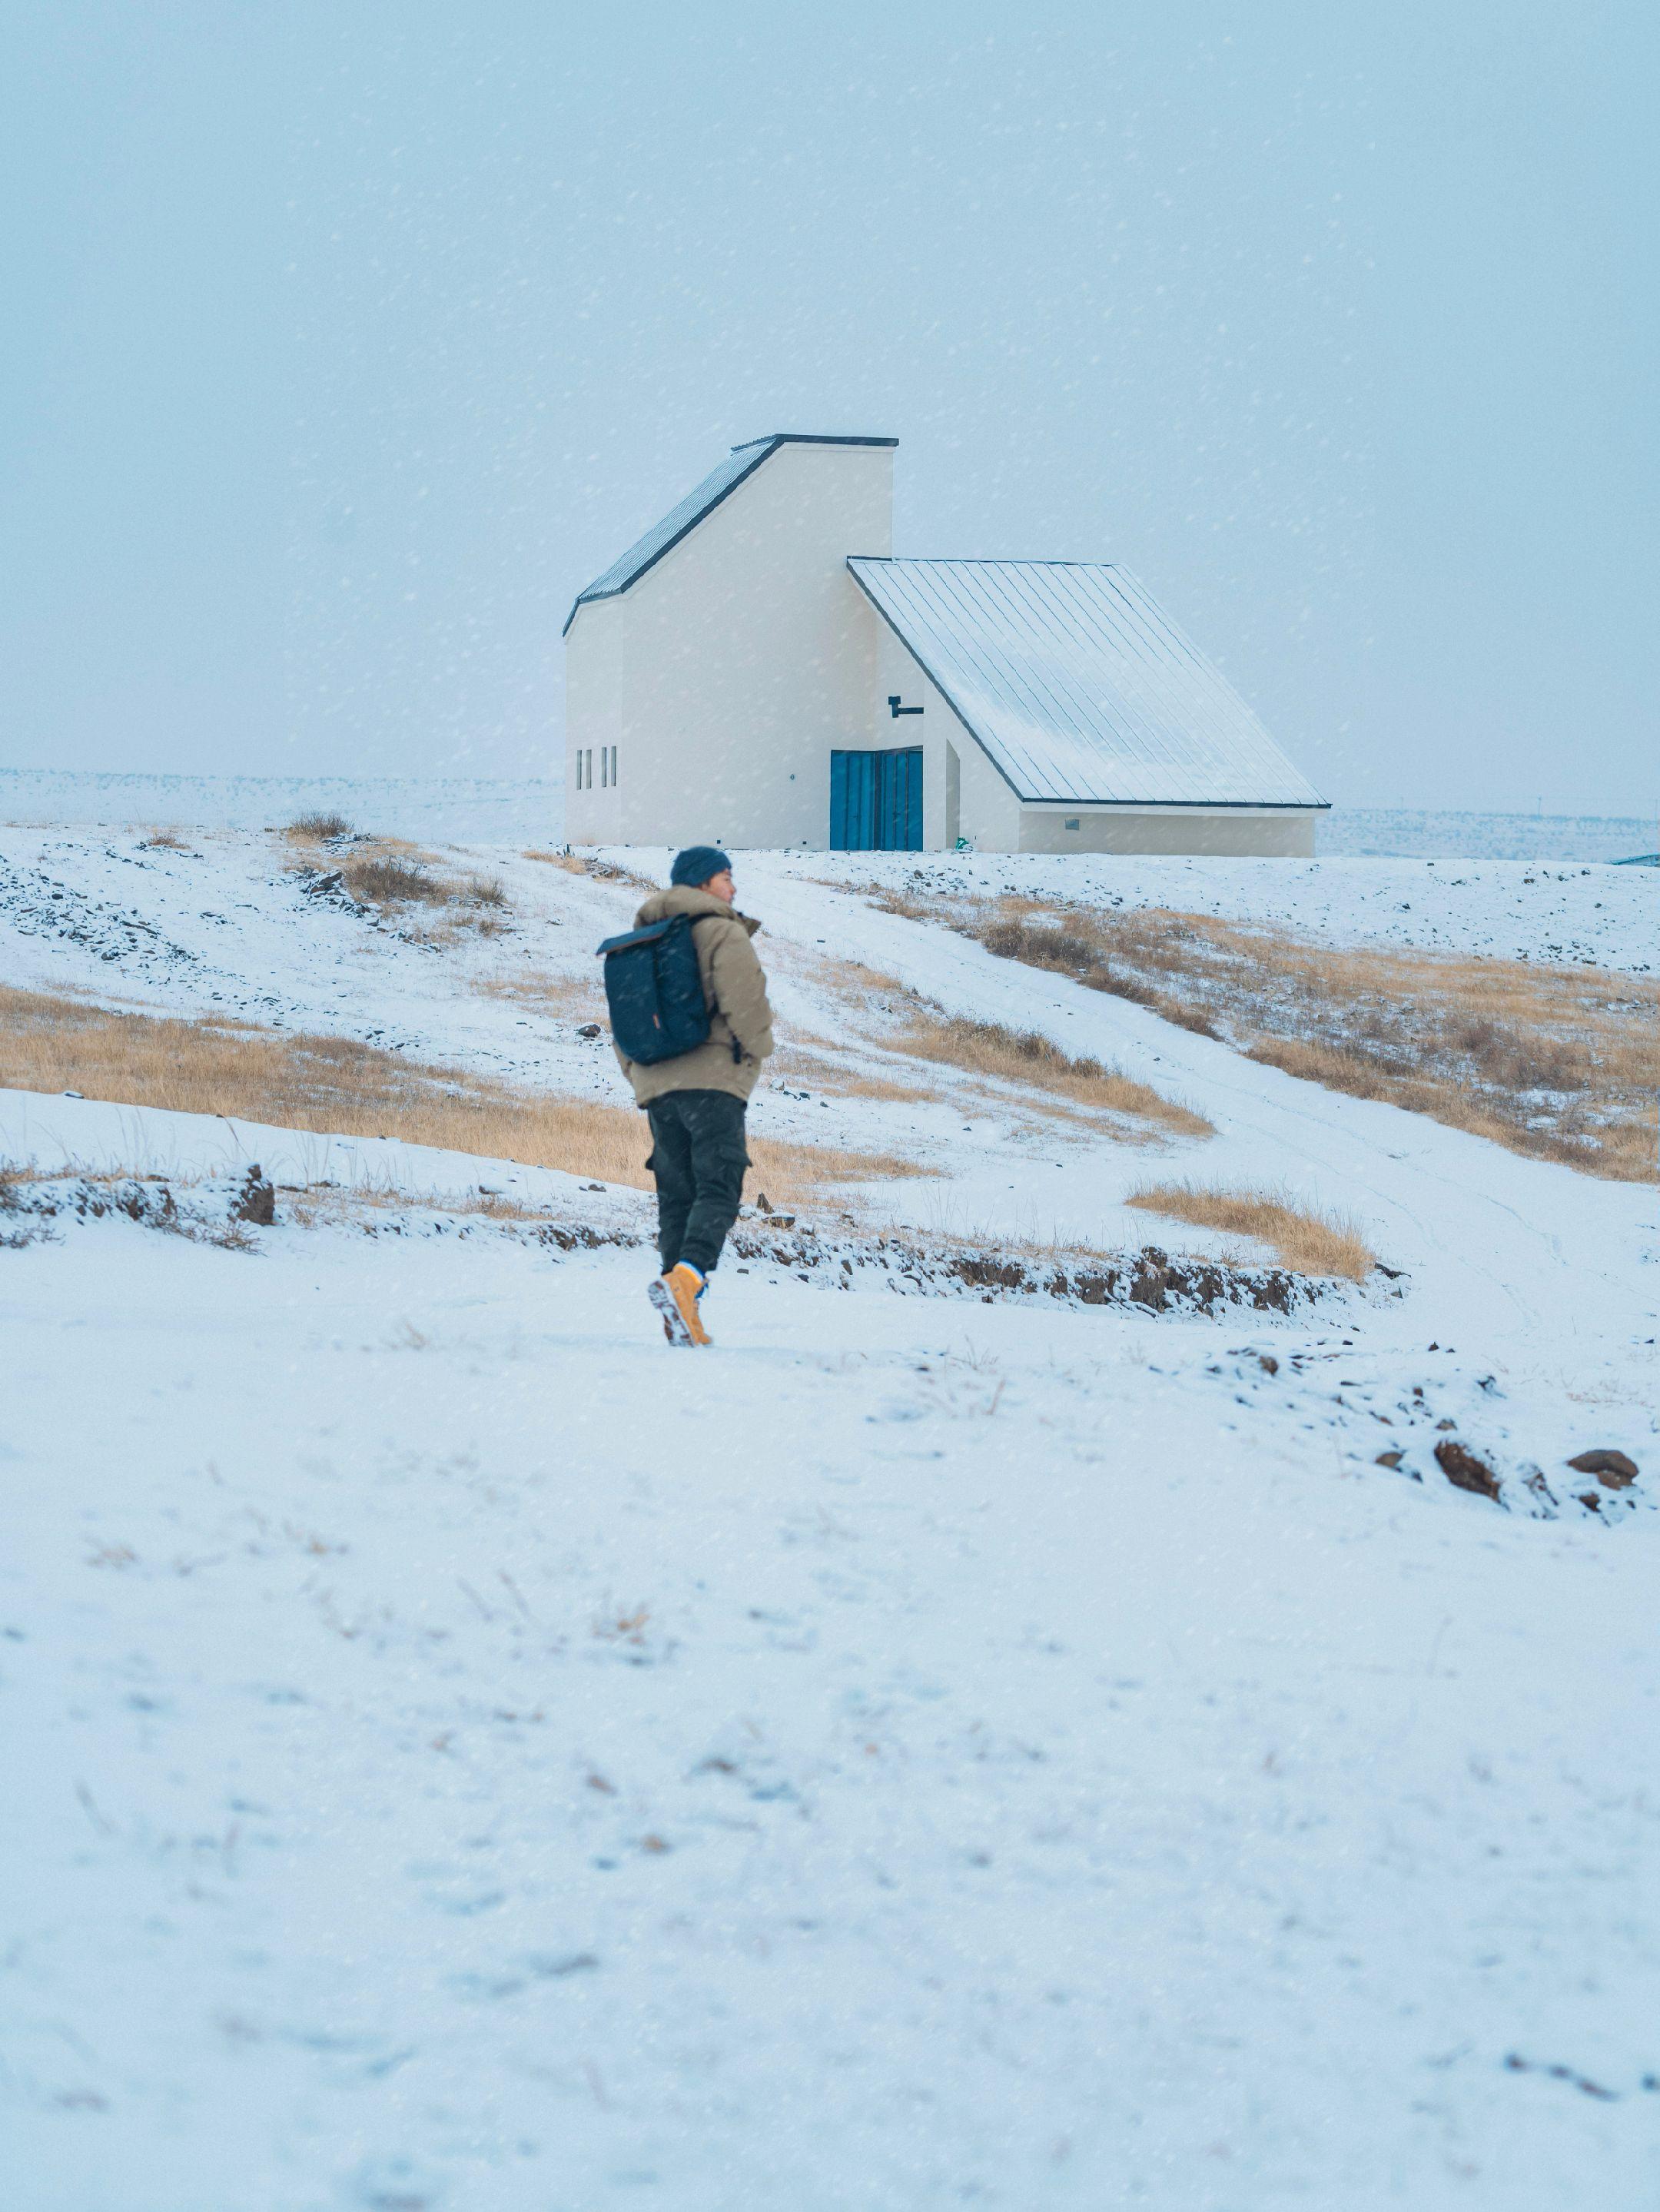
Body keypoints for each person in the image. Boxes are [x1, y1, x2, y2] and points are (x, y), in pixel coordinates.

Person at [614, 845, 775, 1346]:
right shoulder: (723, 930)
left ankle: (681, 1314)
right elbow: (746, 1005)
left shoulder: (642, 939)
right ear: (705, 882)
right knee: (719, 1187)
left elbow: (624, 1020)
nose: (733, 887)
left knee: (677, 1196)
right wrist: (759, 1052)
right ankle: (687, 1280)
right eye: (728, 877)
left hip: (658, 1087)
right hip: (714, 1083)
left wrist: (643, 1076)